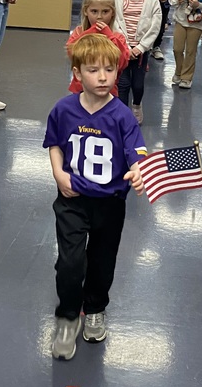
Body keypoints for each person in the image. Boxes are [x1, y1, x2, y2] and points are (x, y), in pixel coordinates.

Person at [44, 33, 146, 360]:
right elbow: (55, 144)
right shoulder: (63, 109)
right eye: (93, 70)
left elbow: (138, 150)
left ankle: (96, 308)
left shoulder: (123, 116)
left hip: (110, 203)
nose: (102, 77)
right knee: (70, 263)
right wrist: (59, 174)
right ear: (77, 73)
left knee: (102, 262)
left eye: (109, 70)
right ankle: (67, 318)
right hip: (72, 199)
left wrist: (139, 169)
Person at [114, 0, 162, 122]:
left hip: (141, 50)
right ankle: (122, 114)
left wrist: (141, 47)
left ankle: (136, 105)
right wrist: (126, 47)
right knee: (123, 83)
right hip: (123, 49)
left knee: (138, 84)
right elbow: (115, 24)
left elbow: (155, 26)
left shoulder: (152, 0)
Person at [66, 0, 130, 95]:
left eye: (105, 11)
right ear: (86, 11)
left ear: (113, 12)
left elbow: (122, 62)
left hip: (106, 92)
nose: (99, 17)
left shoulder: (117, 37)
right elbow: (72, 54)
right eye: (94, 11)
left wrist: (109, 36)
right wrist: (90, 32)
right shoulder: (78, 32)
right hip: (80, 90)